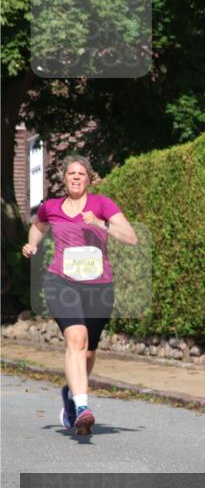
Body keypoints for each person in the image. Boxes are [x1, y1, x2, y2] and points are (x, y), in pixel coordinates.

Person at [21, 155, 138, 435]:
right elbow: (37, 228)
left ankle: (72, 395)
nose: (75, 177)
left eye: (81, 174)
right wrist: (31, 245)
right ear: (64, 178)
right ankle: (83, 407)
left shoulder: (102, 204)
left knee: (88, 351)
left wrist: (99, 224)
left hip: (98, 286)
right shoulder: (51, 207)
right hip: (61, 282)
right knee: (76, 339)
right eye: (71, 173)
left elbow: (131, 237)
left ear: (89, 179)